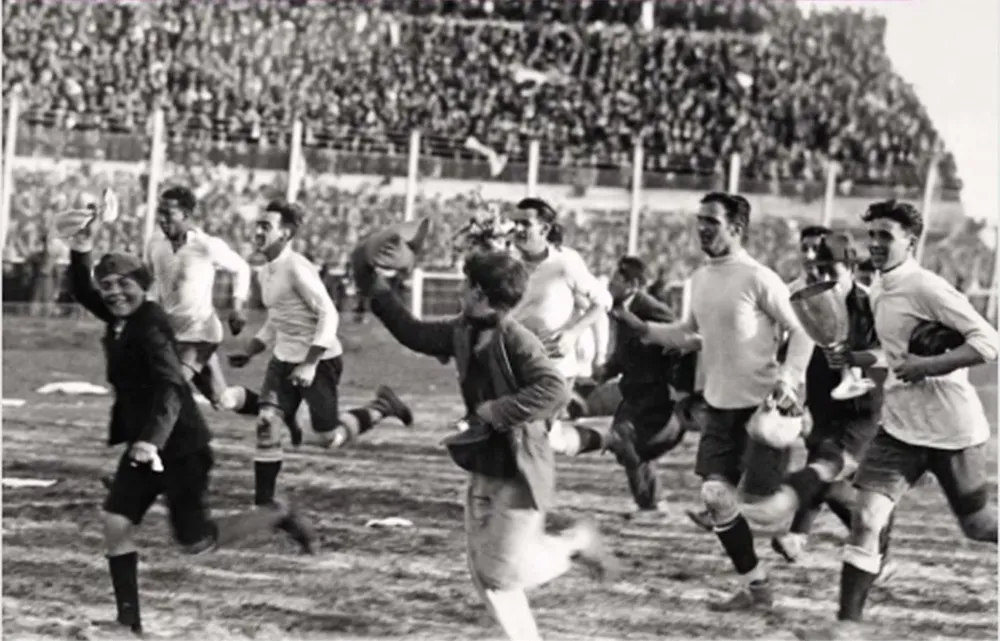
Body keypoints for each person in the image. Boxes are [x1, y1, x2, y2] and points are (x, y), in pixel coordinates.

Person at [355, 243, 616, 641]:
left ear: (479, 293)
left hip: (519, 466)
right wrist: (372, 283)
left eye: (465, 283)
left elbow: (553, 391)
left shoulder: (516, 338)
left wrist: (496, 411)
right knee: (486, 573)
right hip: (485, 463)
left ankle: (575, 541)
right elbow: (413, 332)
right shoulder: (463, 330)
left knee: (500, 572)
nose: (460, 289)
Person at [66, 217, 312, 637]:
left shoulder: (150, 324)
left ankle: (276, 513)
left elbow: (170, 387)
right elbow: (84, 290)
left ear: (142, 285)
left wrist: (150, 442)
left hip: (179, 447)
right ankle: (129, 623)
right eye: (107, 286)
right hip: (145, 447)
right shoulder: (120, 318)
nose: (113, 292)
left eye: (122, 283)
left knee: (194, 542)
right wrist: (80, 249)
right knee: (115, 523)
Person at [796, 201, 996, 637]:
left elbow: (988, 343)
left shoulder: (928, 287)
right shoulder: (879, 290)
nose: (877, 244)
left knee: (979, 527)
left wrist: (929, 366)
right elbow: (890, 357)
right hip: (899, 429)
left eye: (887, 236)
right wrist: (852, 356)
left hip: (952, 431)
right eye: (873, 236)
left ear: (911, 240)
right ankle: (847, 627)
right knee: (867, 520)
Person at [625, 192, 814, 610]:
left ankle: (815, 490)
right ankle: (757, 588)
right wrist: (644, 330)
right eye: (700, 219)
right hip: (718, 408)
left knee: (761, 510)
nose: (703, 227)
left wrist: (789, 378)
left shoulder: (759, 278)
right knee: (715, 498)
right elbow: (690, 334)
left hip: (761, 410)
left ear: (736, 228)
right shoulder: (699, 279)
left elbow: (802, 331)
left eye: (712, 220)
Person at [227, 201, 414, 535]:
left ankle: (382, 406)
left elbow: (329, 314)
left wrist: (311, 363)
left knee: (329, 438)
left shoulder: (297, 268)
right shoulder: (264, 270)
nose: (257, 231)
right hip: (283, 361)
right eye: (257, 224)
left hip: (322, 360)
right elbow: (277, 319)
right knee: (266, 423)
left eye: (266, 226)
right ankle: (264, 505)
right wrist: (252, 349)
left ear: (284, 233)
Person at [744, 234, 889, 566]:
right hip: (823, 409)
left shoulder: (872, 308)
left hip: (860, 414)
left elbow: (888, 357)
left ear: (852, 268)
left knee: (823, 468)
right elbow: (793, 355)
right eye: (818, 271)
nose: (823, 279)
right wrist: (788, 389)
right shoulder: (810, 305)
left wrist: (852, 358)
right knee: (830, 482)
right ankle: (817, 537)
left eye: (832, 271)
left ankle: (797, 532)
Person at [592, 255, 700, 522]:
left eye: (617, 278)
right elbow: (625, 353)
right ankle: (653, 503)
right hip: (634, 393)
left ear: (634, 284)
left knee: (626, 440)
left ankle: (651, 505)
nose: (611, 282)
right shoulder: (621, 309)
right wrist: (606, 370)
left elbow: (683, 342)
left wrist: (681, 387)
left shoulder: (652, 309)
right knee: (628, 447)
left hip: (657, 395)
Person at [508, 197, 613, 456]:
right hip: (515, 361)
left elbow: (603, 302)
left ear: (544, 229)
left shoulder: (565, 264)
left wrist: (573, 333)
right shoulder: (506, 264)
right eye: (515, 223)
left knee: (529, 434)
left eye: (526, 224)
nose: (518, 229)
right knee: (549, 439)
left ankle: (523, 491)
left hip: (556, 364)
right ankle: (607, 438)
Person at [145, 186, 259, 414]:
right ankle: (274, 408)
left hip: (200, 335)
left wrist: (237, 308)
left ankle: (153, 445)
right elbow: (155, 282)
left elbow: (241, 268)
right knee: (222, 399)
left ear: (186, 215)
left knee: (169, 387)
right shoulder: (155, 244)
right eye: (160, 212)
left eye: (169, 213)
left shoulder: (206, 246)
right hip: (171, 333)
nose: (162, 219)